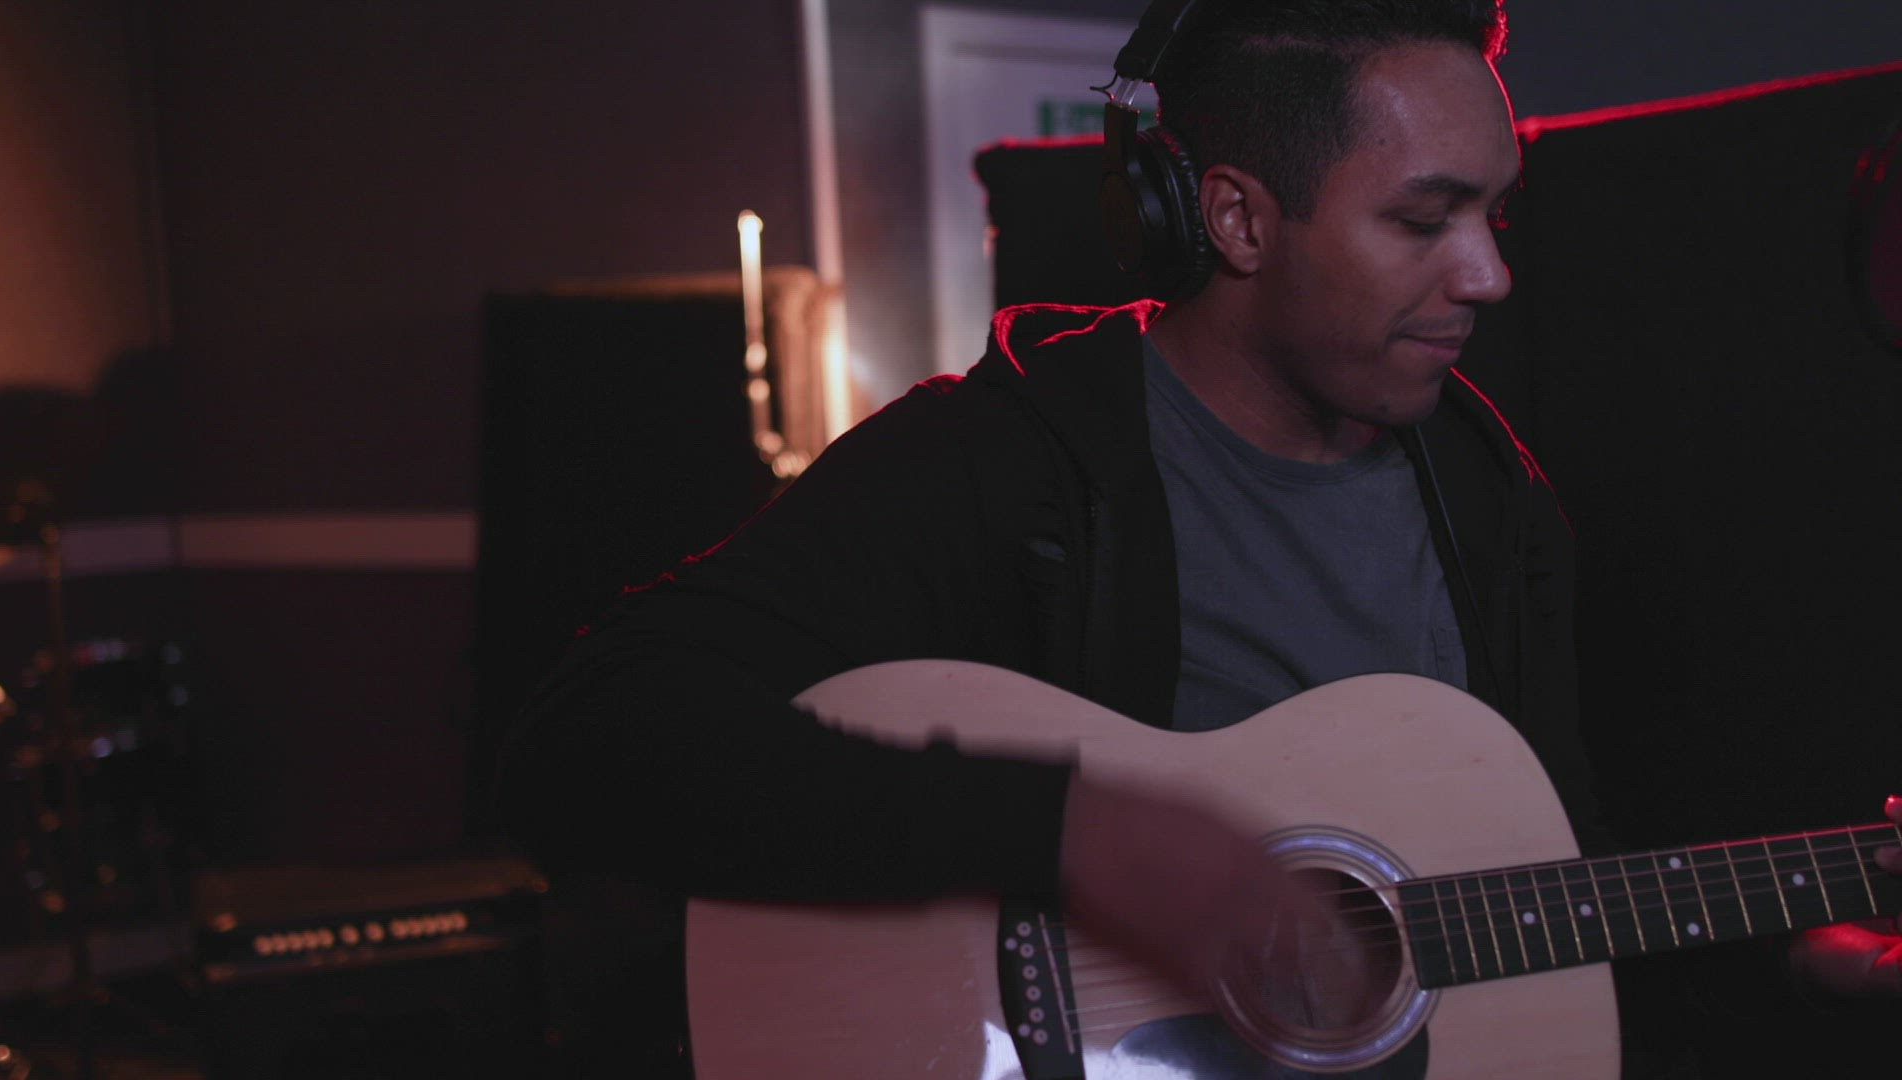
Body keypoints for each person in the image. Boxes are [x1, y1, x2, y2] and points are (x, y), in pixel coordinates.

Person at [500, 0, 1902, 1071]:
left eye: (1495, 214)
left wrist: (1790, 961)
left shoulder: (1496, 505)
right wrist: (1086, 838)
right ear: (1232, 217)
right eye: (1427, 219)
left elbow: (1550, 914)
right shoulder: (1009, 460)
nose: (1488, 273)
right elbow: (589, 736)